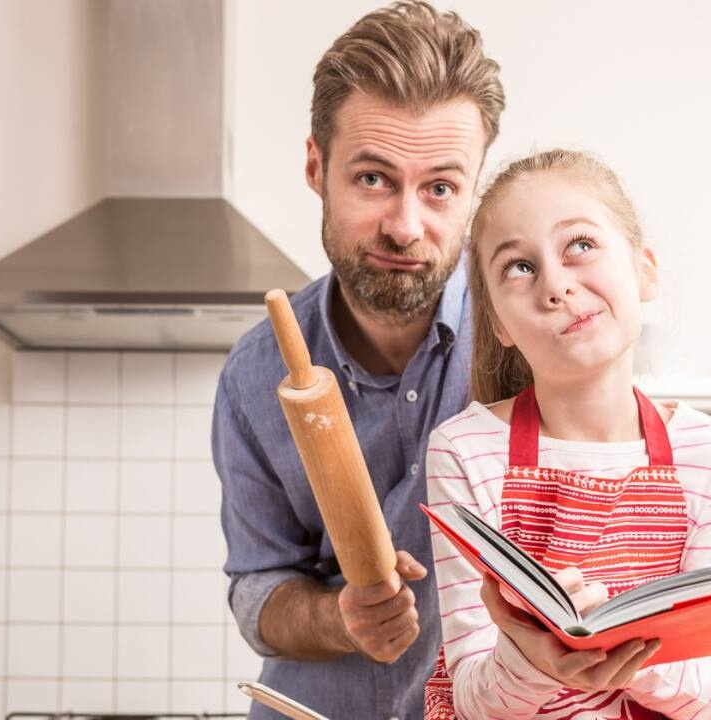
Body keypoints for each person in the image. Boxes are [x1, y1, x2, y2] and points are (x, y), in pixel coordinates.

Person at [212, 3, 504, 718]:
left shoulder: (524, 341)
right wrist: (340, 616)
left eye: (440, 187)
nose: (405, 226)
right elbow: (259, 591)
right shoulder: (255, 376)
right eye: (373, 178)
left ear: (474, 191)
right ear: (317, 165)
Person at [424, 149, 711, 719]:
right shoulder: (463, 450)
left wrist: (627, 647)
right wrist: (534, 660)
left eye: (579, 246)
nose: (556, 286)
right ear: (498, 322)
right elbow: (473, 698)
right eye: (519, 267)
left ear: (643, 270)